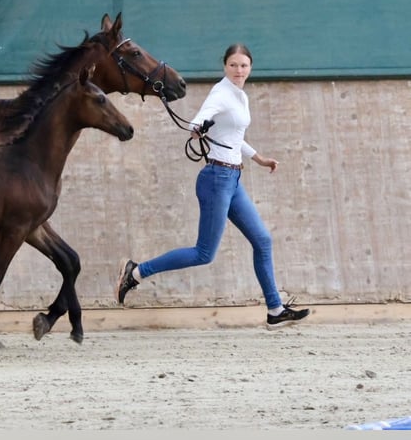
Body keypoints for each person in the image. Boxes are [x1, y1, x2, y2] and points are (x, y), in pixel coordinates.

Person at [116, 43, 310, 329]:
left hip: (232, 179)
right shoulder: (221, 93)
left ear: (250, 67)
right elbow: (198, 122)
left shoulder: (239, 96)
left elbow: (234, 135)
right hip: (217, 180)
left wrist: (259, 158)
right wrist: (198, 128)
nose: (239, 70)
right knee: (204, 253)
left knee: (262, 241)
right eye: (233, 65)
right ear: (225, 66)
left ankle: (275, 310)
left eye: (243, 65)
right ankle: (136, 273)